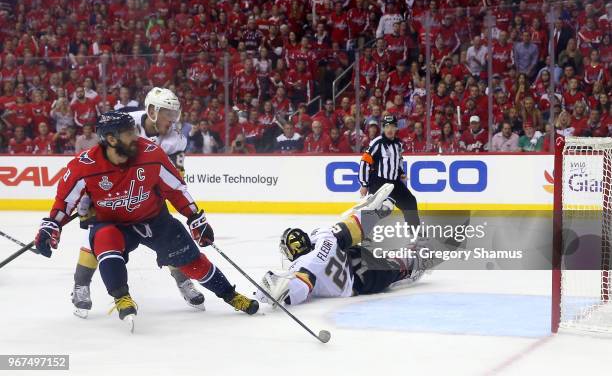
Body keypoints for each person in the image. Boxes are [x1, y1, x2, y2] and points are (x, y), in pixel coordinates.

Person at [34, 111, 258, 330]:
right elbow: (63, 202)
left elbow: (176, 189)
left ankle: (231, 294)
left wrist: (195, 218)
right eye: (129, 133)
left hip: (154, 220)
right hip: (113, 223)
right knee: (104, 238)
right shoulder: (83, 165)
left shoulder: (151, 154)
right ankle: (121, 297)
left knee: (192, 262)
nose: (136, 136)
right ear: (111, 139)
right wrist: (51, 226)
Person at [70, 87, 202, 318]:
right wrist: (91, 193)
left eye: (174, 115)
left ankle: (183, 281)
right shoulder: (125, 121)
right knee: (97, 238)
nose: (171, 121)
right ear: (152, 111)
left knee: (168, 238)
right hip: (109, 191)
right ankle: (81, 285)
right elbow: (99, 154)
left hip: (145, 195)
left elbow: (174, 176)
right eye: (166, 115)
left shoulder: (176, 138)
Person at [254, 184, 429, 306]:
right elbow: (352, 229)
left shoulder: (304, 266)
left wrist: (278, 292)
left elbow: (299, 289)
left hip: (359, 280)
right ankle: (406, 253)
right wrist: (374, 214)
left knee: (393, 270)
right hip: (354, 257)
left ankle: (411, 264)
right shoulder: (323, 236)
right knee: (353, 242)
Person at [358, 114, 419, 226]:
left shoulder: (398, 144)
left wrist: (401, 173)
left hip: (394, 182)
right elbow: (365, 162)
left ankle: (416, 235)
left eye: (392, 126)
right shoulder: (377, 142)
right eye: (386, 126)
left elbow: (398, 160)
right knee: (380, 209)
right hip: (379, 182)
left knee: (410, 202)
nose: (389, 129)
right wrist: (364, 184)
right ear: (383, 128)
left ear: (396, 128)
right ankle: (362, 235)